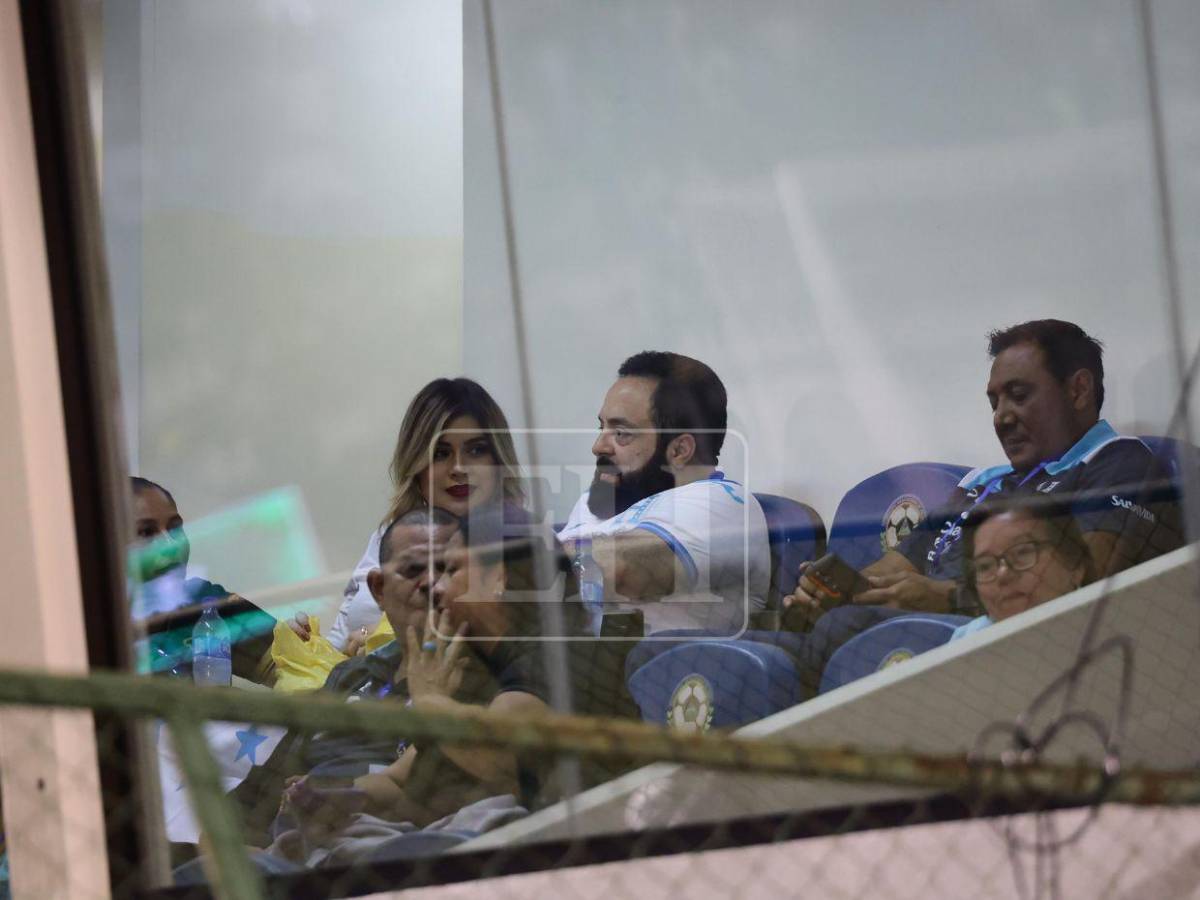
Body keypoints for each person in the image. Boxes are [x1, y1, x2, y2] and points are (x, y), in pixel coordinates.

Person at [784, 319, 1175, 627]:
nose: (1001, 416)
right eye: (995, 401)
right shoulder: (982, 482)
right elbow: (896, 567)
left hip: (1007, 644)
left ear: (1078, 391)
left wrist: (948, 598)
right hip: (924, 632)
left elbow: (1081, 585)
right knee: (820, 630)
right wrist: (838, 591)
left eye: (1019, 396)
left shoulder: (1121, 463)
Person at [292, 378, 525, 653]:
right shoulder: (389, 535)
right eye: (440, 453)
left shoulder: (522, 546)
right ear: (416, 466)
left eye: (475, 450)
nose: (459, 468)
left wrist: (385, 647)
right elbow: (341, 640)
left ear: (498, 461)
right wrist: (311, 650)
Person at [557, 351, 771, 635]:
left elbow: (619, 571)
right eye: (602, 426)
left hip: (659, 674)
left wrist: (506, 567)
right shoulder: (594, 502)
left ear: (679, 451)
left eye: (621, 433)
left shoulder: (724, 504)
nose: (599, 445)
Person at [130, 476, 276, 683]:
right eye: (146, 532)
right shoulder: (88, 630)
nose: (170, 545)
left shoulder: (206, 604)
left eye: (174, 529)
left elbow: (304, 670)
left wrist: (310, 645)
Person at [950, 496, 1096, 640]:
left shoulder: (1111, 620)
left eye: (1022, 552)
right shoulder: (966, 641)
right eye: (985, 566)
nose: (1003, 574)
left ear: (1075, 564)